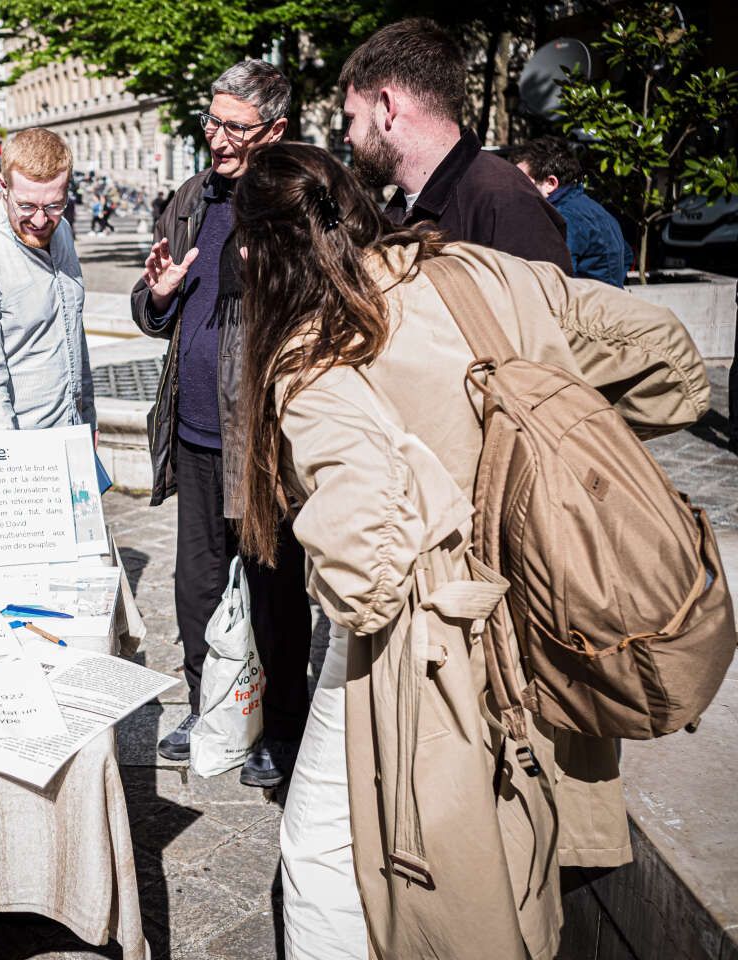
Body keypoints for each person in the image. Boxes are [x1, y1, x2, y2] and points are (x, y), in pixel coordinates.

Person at [230, 142, 707, 959]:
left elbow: (368, 565)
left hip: (423, 648)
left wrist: (336, 586)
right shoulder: (478, 272)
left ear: (258, 253)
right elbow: (665, 354)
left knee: (333, 859)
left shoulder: (317, 348)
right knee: (518, 843)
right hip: (553, 607)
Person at [131, 57, 311, 789]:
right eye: (212, 122)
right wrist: (159, 297)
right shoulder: (190, 196)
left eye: (235, 127)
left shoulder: (297, 200)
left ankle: (278, 723)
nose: (218, 139)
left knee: (273, 587)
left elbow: (324, 306)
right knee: (197, 586)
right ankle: (210, 705)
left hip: (263, 435)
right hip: (197, 431)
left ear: (275, 129)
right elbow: (156, 314)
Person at [339, 18, 573, 272]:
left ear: (387, 106)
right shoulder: (398, 211)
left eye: (351, 118)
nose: (347, 136)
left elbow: (548, 308)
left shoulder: (504, 202)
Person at [0, 128, 95, 433]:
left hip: (69, 434)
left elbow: (73, 337)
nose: (40, 220)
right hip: (16, 450)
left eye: (54, 205)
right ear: (3, 186)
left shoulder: (61, 229)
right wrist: (12, 465)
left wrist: (87, 420)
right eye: (26, 206)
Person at [510, 136, 631, 288]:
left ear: (550, 183)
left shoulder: (562, 219)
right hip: (607, 303)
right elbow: (626, 255)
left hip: (583, 307)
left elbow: (554, 279)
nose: (515, 188)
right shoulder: (594, 209)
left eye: (522, 181)